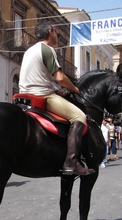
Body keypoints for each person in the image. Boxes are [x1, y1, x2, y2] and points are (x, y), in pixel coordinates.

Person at [19, 19, 94, 176]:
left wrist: (57, 91)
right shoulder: (47, 49)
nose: (57, 35)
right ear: (50, 32)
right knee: (79, 116)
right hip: (41, 95)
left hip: (24, 95)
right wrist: (74, 89)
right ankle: (71, 163)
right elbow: (59, 77)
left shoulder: (29, 51)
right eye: (56, 31)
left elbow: (39, 77)